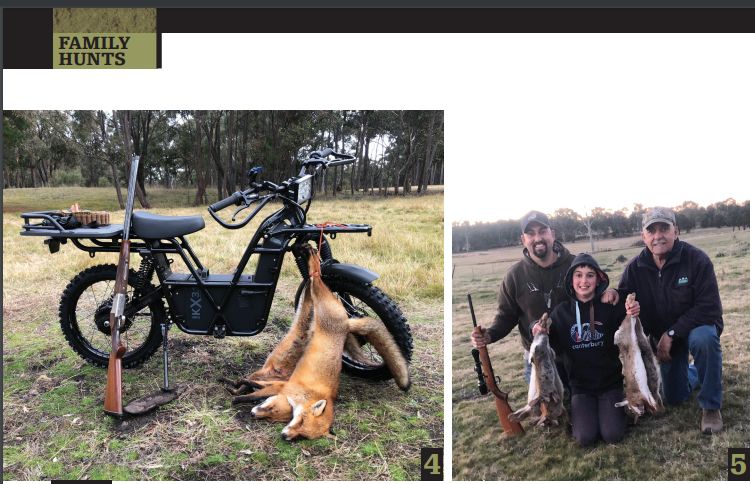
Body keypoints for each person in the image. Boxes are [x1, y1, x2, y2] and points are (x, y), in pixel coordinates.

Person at [470, 211, 618, 386]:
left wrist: (611, 292)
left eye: (542, 231)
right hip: (537, 357)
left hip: (576, 354)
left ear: (552, 234)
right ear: (523, 240)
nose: (537, 238)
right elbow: (506, 315)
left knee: (579, 407)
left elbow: (595, 291)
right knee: (546, 410)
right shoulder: (514, 275)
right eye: (530, 233)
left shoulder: (574, 265)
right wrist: (490, 335)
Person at [618, 207, 724, 434]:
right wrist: (618, 299)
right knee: (674, 397)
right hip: (664, 340)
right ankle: (697, 372)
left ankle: (711, 406)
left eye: (664, 228)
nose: (658, 236)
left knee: (705, 339)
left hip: (696, 330)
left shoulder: (697, 260)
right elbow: (621, 302)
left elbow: (710, 308)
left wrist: (672, 333)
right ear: (643, 236)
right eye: (651, 230)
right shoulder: (634, 269)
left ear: (676, 231)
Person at [533, 253, 639, 447]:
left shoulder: (610, 305)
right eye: (578, 275)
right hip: (580, 387)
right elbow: (549, 345)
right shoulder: (561, 312)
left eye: (590, 275)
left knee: (612, 434)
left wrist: (631, 309)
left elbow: (629, 324)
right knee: (585, 437)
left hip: (609, 384)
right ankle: (579, 412)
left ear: (598, 279)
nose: (584, 281)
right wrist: (540, 332)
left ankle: (618, 410)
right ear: (571, 280)